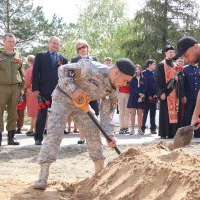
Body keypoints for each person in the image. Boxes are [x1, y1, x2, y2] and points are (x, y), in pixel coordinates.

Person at [33, 58, 135, 190]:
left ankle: (99, 174)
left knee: (94, 132)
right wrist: (73, 89)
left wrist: (109, 135)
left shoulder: (113, 90)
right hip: (62, 99)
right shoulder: (91, 68)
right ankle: (43, 175)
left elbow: (106, 114)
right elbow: (63, 70)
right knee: (54, 133)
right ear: (116, 73)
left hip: (82, 104)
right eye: (125, 80)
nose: (125, 84)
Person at [0, 33, 24, 146]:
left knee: (13, 113)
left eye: (13, 42)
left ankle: (11, 138)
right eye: (9, 41)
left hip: (15, 88)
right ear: (4, 42)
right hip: (0, 87)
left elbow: (21, 72)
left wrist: (22, 88)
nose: (12, 44)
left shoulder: (18, 55)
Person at [32, 36, 68, 145]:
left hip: (58, 92)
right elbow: (35, 73)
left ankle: (53, 138)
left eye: (57, 44)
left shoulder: (63, 59)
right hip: (43, 91)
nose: (55, 45)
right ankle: (38, 137)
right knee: (42, 114)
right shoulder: (40, 56)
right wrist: (35, 89)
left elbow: (65, 77)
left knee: (57, 116)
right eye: (53, 43)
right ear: (49, 43)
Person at [71, 39, 99, 143]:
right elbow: (72, 76)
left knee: (94, 113)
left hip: (93, 91)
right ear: (77, 51)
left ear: (87, 48)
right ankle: (82, 137)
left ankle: (93, 137)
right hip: (80, 91)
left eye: (83, 47)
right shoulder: (74, 60)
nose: (82, 49)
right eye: (79, 48)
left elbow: (98, 73)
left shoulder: (94, 59)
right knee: (81, 113)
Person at [156, 45, 184, 139]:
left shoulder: (176, 65)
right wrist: (161, 93)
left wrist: (177, 78)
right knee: (165, 113)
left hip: (175, 93)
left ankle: (173, 133)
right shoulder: (161, 65)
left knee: (175, 112)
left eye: (173, 52)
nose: (171, 53)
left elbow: (180, 78)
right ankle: (165, 132)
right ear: (165, 53)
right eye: (169, 52)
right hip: (166, 93)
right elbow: (158, 80)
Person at [127, 64, 146, 135]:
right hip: (133, 97)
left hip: (141, 98)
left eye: (138, 69)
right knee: (133, 114)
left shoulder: (143, 78)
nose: (137, 70)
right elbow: (132, 88)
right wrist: (139, 94)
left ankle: (140, 129)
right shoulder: (131, 78)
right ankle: (132, 129)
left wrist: (142, 96)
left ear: (140, 70)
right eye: (136, 69)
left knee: (140, 114)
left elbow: (145, 88)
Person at [141, 59, 158, 134]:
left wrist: (155, 94)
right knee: (145, 113)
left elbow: (157, 85)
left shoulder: (154, 73)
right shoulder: (143, 73)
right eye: (154, 64)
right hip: (146, 97)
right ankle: (142, 128)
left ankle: (153, 128)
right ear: (150, 65)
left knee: (153, 114)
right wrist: (148, 95)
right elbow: (144, 85)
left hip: (154, 97)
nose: (155, 66)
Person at [24, 55, 38, 136]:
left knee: (34, 112)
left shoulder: (29, 70)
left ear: (29, 62)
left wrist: (25, 87)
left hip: (31, 91)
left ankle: (34, 129)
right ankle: (31, 128)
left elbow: (27, 82)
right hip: (39, 92)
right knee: (36, 111)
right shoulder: (39, 69)